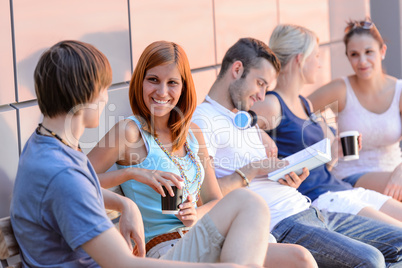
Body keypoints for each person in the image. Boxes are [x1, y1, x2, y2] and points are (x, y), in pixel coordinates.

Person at [10, 40, 251, 268]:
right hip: (153, 251)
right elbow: (125, 264)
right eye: (104, 88)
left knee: (250, 208)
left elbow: (83, 186)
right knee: (248, 206)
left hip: (167, 244)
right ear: (85, 94)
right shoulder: (61, 171)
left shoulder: (45, 144)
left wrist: (125, 202)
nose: (106, 98)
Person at [192, 37, 402, 267]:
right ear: (237, 69)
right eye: (260, 83)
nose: (262, 96)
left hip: (308, 209)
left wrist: (287, 177)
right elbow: (204, 196)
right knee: (371, 260)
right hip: (283, 223)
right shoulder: (203, 121)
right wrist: (253, 169)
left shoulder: (242, 117)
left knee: (399, 242)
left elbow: (257, 176)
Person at [87, 40, 288, 266]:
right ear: (140, 82)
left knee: (300, 259)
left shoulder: (193, 133)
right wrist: (132, 174)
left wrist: (196, 214)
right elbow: (78, 183)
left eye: (172, 82)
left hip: (199, 237)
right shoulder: (129, 132)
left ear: (183, 87)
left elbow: (214, 200)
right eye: (153, 80)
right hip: (164, 250)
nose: (162, 92)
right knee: (248, 201)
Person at [251, 24, 402, 227]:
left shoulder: (305, 104)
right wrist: (259, 134)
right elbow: (235, 122)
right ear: (300, 59)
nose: (319, 64)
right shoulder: (271, 104)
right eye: (316, 56)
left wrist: (333, 152)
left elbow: (320, 168)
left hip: (342, 189)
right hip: (322, 199)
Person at [308, 19, 402, 202]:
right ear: (348, 57)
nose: (362, 61)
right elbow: (295, 110)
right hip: (351, 174)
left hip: (396, 174)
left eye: (369, 52)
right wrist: (324, 135)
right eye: (354, 54)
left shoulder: (399, 92)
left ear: (382, 51)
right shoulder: (341, 89)